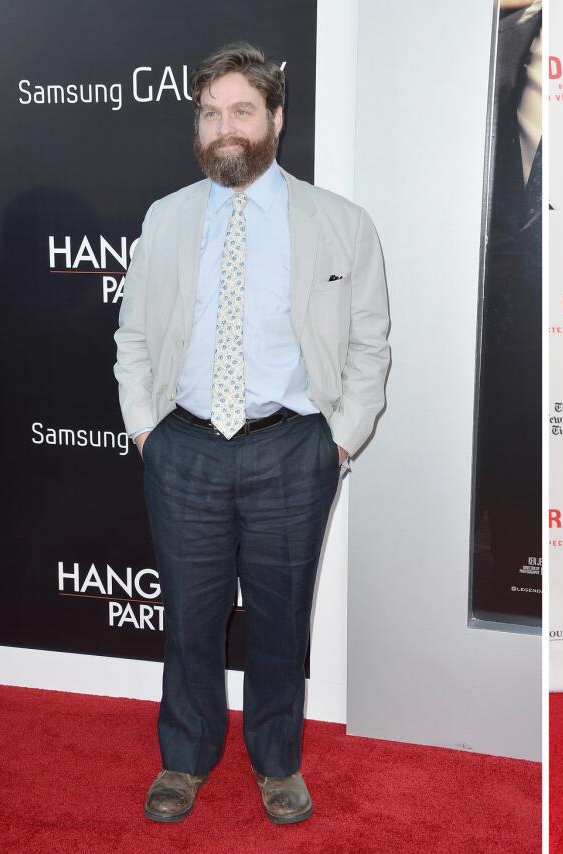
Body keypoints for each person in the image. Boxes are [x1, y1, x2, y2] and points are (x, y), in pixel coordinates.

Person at [114, 42, 390, 825]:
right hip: (183, 449)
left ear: (274, 118)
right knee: (190, 617)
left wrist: (338, 439)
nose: (224, 127)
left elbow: (371, 344)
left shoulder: (339, 222)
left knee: (280, 616)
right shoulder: (166, 218)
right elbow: (133, 335)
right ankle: (185, 757)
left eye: (240, 110)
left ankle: (277, 764)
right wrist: (147, 432)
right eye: (210, 112)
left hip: (293, 446)